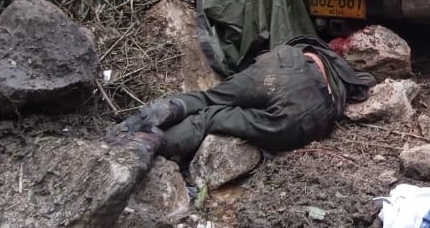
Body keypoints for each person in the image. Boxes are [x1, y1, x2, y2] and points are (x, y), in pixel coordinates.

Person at [106, 36, 372, 162]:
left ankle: (165, 109)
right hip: (305, 113)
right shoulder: (350, 78)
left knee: (208, 98)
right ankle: (149, 143)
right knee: (211, 119)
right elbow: (365, 86)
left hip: (282, 67)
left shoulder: (312, 47)